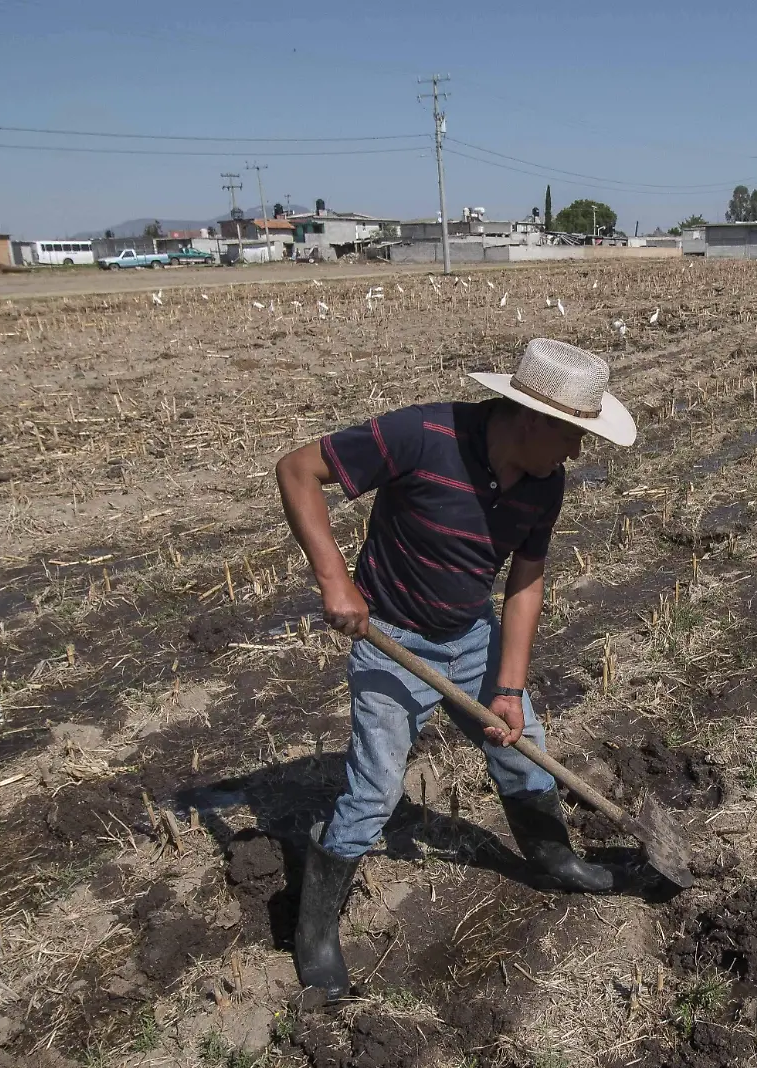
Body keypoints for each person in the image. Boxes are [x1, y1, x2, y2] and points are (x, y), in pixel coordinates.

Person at [274, 338, 638, 1003]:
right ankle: (315, 932)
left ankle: (555, 859)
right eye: (573, 437)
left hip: (472, 638)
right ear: (532, 418)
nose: (578, 455)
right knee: (376, 791)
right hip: (391, 639)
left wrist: (507, 688)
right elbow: (297, 470)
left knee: (526, 750)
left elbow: (525, 582)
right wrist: (335, 581)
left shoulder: (544, 481)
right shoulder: (421, 435)